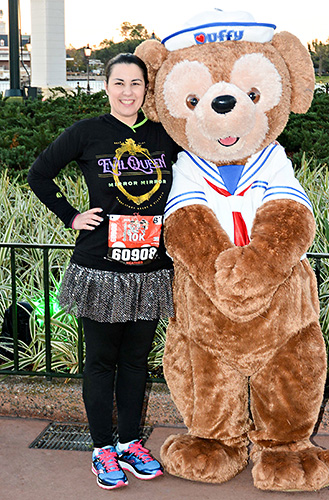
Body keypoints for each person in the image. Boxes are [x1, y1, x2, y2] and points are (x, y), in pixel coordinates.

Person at [27, 53, 180, 490]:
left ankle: (131, 443)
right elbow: (40, 174)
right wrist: (70, 215)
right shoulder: (87, 132)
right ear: (106, 86)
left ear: (147, 89)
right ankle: (102, 450)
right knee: (100, 363)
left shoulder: (164, 136)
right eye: (119, 83)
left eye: (136, 84)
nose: (128, 92)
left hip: (150, 269)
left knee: (134, 364)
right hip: (100, 268)